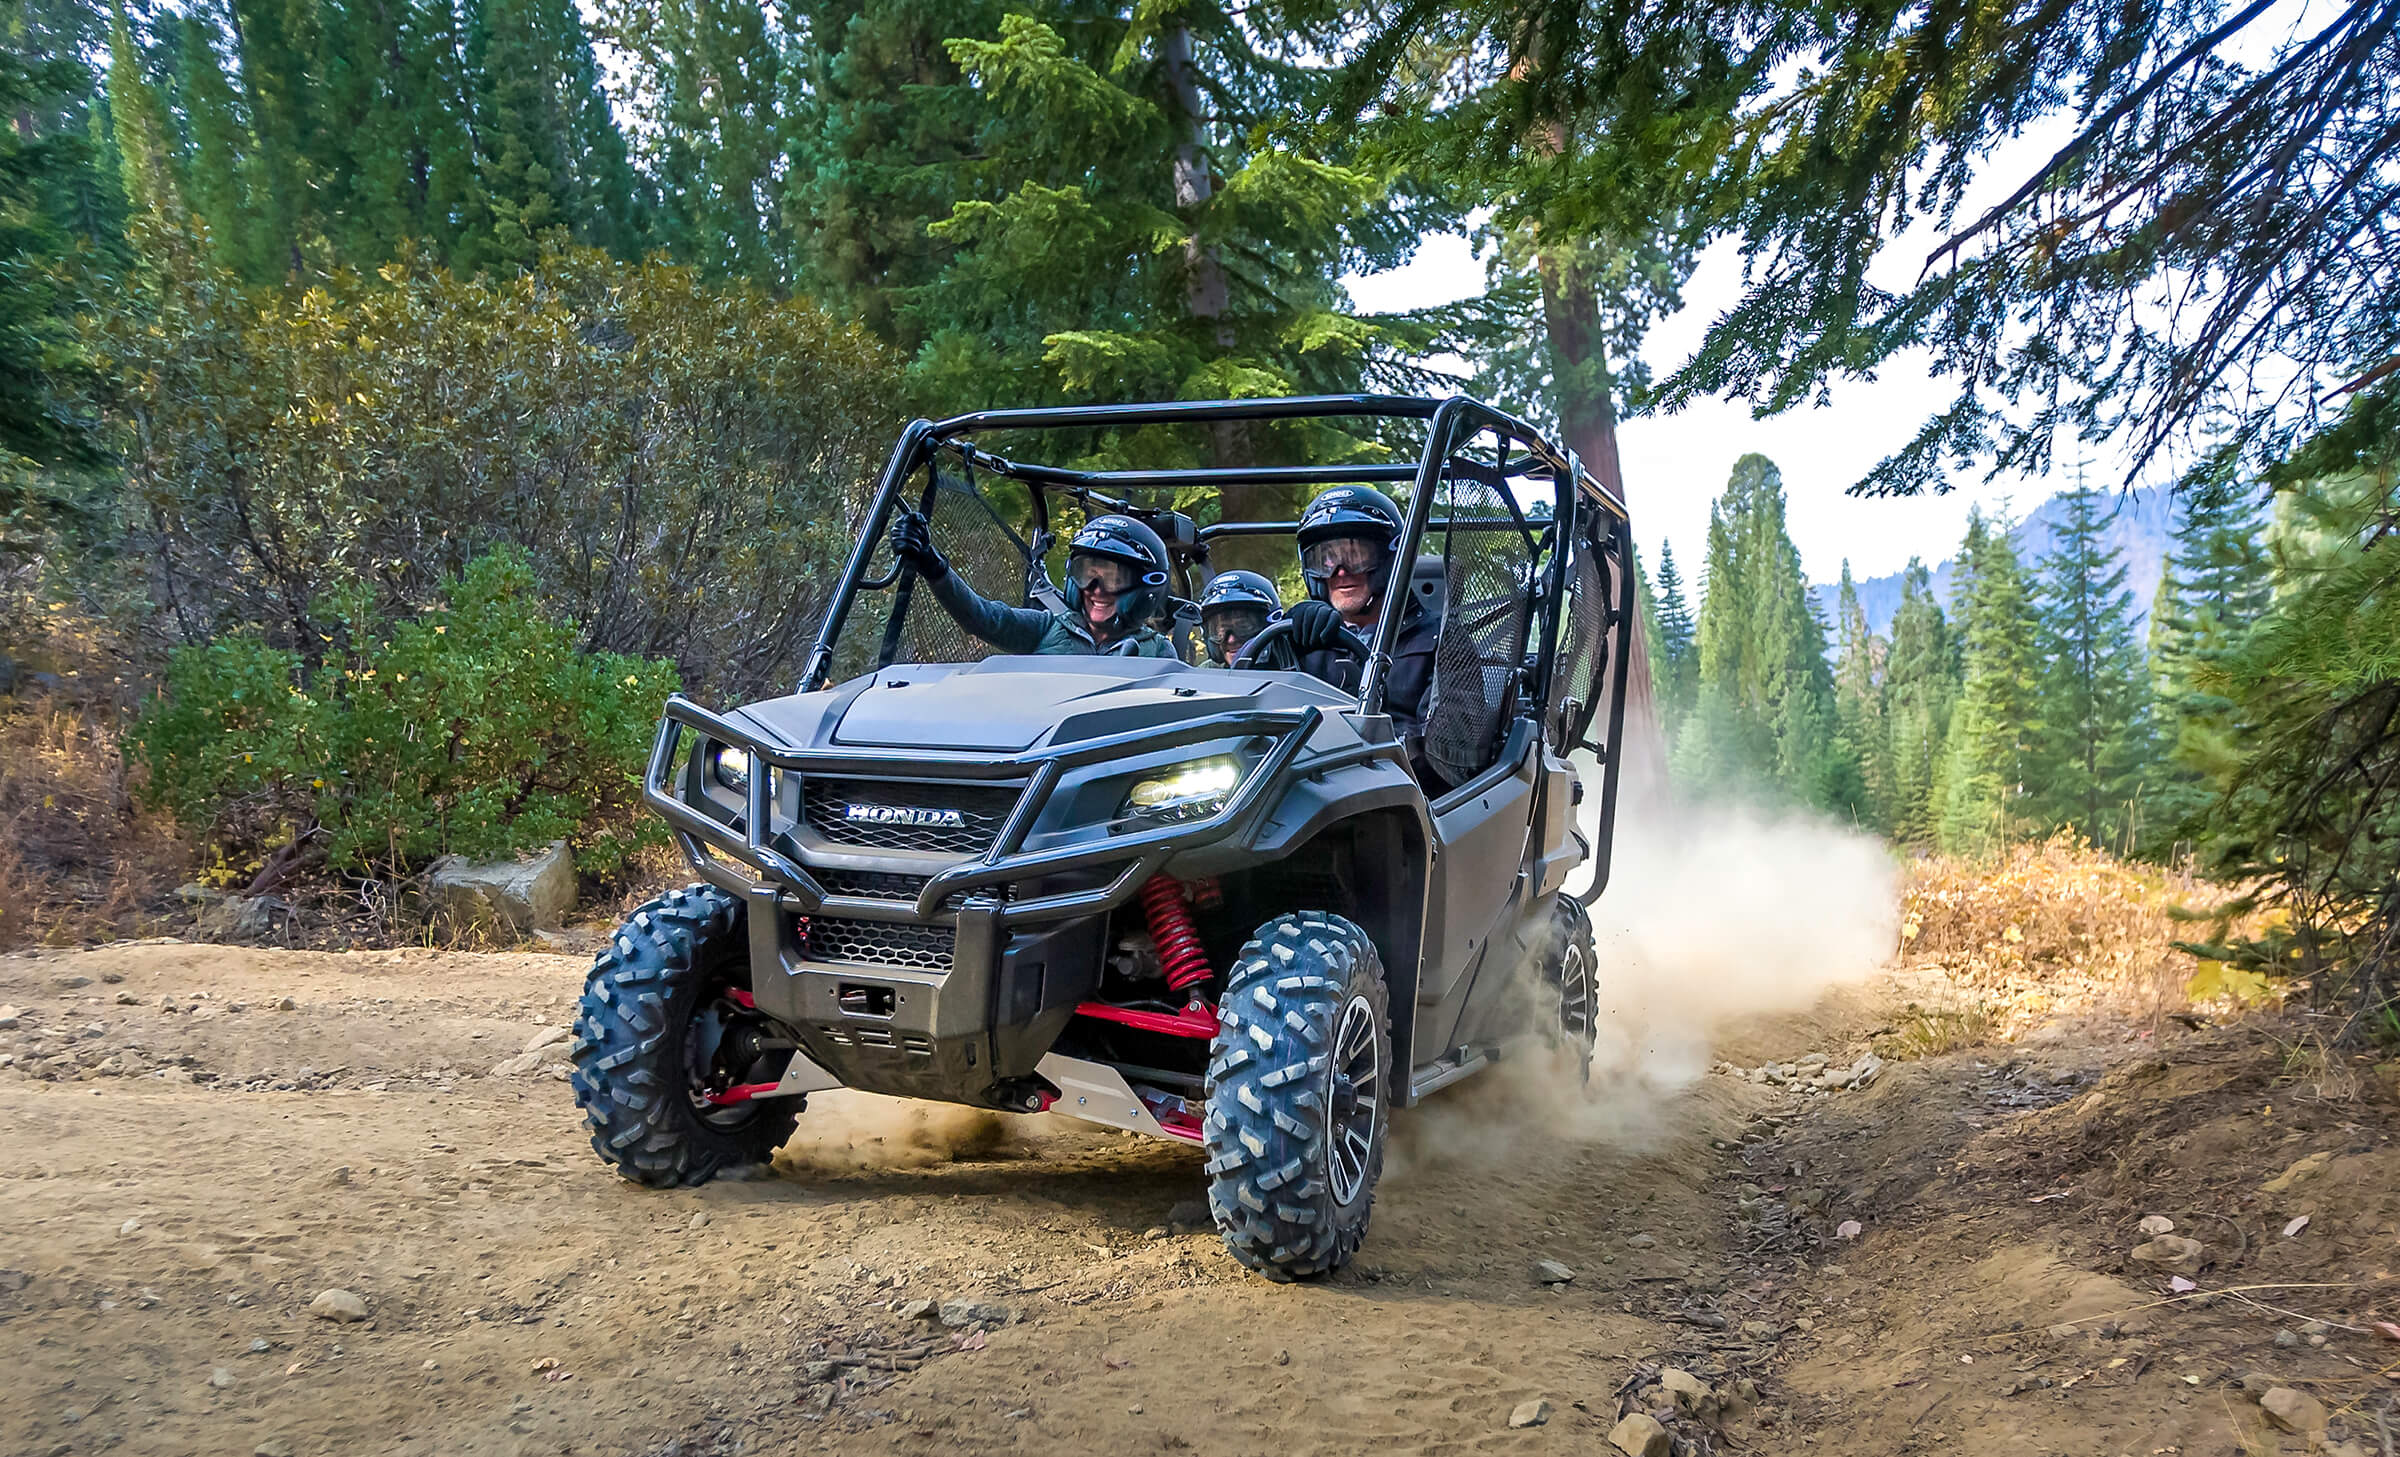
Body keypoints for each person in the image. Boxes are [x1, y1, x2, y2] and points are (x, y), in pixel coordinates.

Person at [887, 509, 1181, 657]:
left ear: (1146, 587)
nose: (1095, 589)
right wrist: (933, 565)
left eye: (1113, 578)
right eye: (1086, 573)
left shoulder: (1157, 652)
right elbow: (982, 617)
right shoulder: (1046, 628)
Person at [1279, 485, 1440, 750]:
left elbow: (1451, 748)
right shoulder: (1298, 642)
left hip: (1406, 786)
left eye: (1356, 556)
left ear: (1391, 558)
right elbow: (1249, 703)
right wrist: (1283, 643)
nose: (1341, 573)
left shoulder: (1440, 638)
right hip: (1303, 784)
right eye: (1326, 559)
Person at [1195, 569, 1284, 666]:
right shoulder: (1208, 673)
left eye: (1243, 627)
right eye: (1222, 632)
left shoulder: (1293, 661)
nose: (1231, 640)